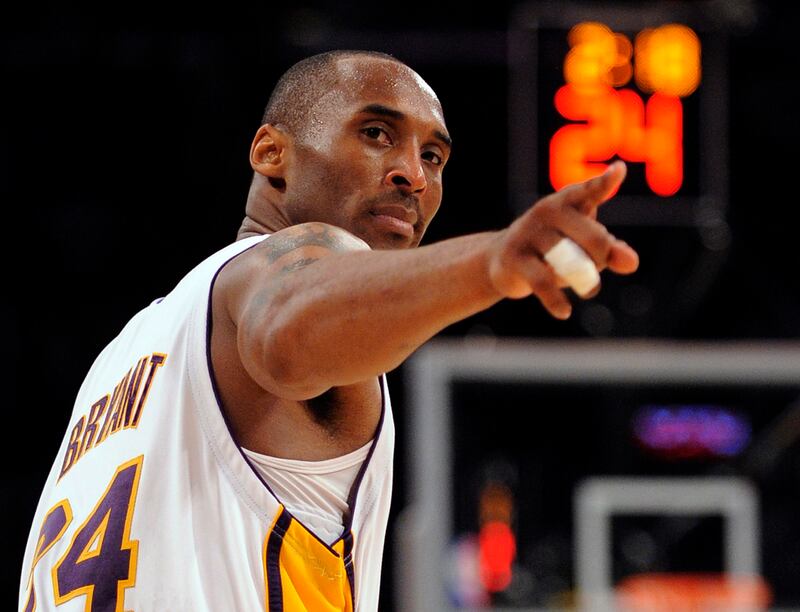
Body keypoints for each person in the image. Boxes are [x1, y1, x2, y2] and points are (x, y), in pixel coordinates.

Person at [19, 49, 638, 611]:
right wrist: (490, 264)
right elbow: (288, 324)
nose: (413, 175)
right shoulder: (280, 270)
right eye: (376, 134)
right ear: (271, 153)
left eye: (433, 156)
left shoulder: (124, 356)